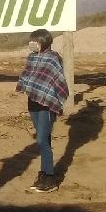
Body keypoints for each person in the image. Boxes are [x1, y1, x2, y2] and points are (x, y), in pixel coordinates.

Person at [16, 29, 69, 193]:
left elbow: (58, 81)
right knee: (44, 139)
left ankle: (50, 179)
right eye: (31, 40)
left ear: (44, 42)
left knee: (41, 140)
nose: (32, 43)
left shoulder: (53, 59)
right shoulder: (32, 57)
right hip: (33, 101)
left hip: (47, 104)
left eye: (35, 41)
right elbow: (28, 76)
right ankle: (44, 174)